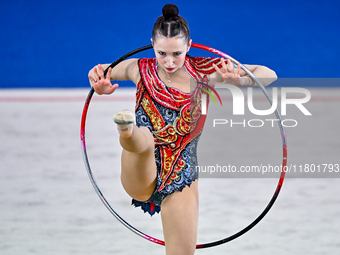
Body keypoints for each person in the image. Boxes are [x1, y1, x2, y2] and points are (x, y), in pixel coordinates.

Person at [88, 4, 277, 255]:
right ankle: (127, 131)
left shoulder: (205, 71)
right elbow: (102, 70)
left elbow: (269, 74)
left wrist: (241, 81)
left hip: (182, 174)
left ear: (189, 46)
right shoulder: (139, 69)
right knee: (144, 140)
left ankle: (131, 133)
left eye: (177, 53)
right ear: (152, 45)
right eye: (162, 53)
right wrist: (98, 83)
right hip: (140, 172)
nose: (169, 61)